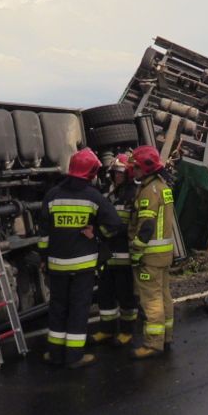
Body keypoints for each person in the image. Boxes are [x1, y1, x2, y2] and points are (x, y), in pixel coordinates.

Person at [40, 148, 121, 368]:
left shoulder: (52, 195)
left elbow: (43, 234)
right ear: (91, 173)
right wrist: (96, 231)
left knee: (57, 308)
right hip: (83, 267)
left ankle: (55, 354)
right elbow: (114, 223)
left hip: (56, 265)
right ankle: (74, 357)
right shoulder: (92, 196)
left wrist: (44, 258)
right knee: (78, 309)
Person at [127, 145, 177, 359]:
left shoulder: (148, 191)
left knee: (152, 300)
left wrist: (136, 251)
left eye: (136, 167)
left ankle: (153, 343)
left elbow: (146, 226)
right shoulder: (163, 186)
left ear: (146, 168)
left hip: (150, 256)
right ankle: (166, 337)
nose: (134, 171)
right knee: (164, 296)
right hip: (164, 255)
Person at [90, 153, 139, 346]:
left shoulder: (133, 194)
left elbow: (127, 225)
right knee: (105, 295)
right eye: (114, 173)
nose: (117, 176)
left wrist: (104, 231)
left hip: (124, 256)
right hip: (106, 256)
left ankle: (127, 331)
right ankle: (106, 330)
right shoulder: (107, 192)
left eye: (120, 172)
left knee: (126, 296)